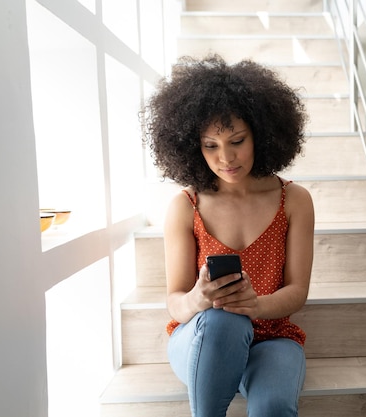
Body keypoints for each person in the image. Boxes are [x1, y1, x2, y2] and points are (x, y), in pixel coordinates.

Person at [142, 54, 315, 417]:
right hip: (202, 337)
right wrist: (199, 299)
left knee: (272, 407)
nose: (226, 157)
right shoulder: (185, 205)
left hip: (271, 335)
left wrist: (256, 306)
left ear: (261, 134)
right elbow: (175, 299)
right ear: (193, 145)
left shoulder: (294, 200)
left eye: (237, 140)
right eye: (211, 145)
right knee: (224, 319)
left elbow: (297, 291)